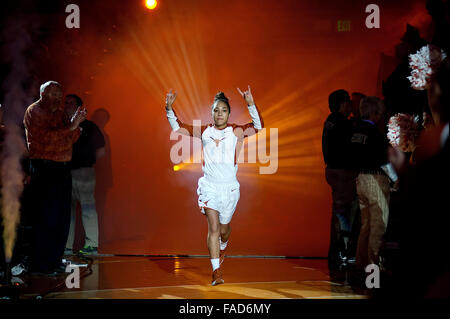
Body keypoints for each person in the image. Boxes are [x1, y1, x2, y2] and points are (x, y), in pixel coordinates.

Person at [164, 87, 263, 286]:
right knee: (214, 227)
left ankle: (223, 245)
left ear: (228, 113)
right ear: (212, 112)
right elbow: (178, 128)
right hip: (209, 186)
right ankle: (216, 272)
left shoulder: (236, 131)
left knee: (224, 230)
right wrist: (168, 108)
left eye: (224, 110)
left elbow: (259, 127)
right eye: (216, 110)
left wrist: (250, 103)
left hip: (230, 189)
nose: (219, 114)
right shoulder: (204, 131)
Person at [23, 81, 86, 275]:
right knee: (46, 217)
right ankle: (41, 264)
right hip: (45, 168)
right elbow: (44, 137)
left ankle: (55, 260)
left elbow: (70, 139)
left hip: (62, 169)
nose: (58, 98)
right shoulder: (34, 111)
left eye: (59, 94)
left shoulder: (59, 114)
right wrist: (72, 127)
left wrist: (75, 126)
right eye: (53, 94)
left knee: (61, 218)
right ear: (42, 94)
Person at [350, 96, 391, 271]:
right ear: (375, 112)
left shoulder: (355, 132)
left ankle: (361, 266)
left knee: (365, 225)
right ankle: (374, 270)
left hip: (360, 179)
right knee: (378, 225)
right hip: (376, 179)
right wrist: (396, 179)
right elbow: (385, 161)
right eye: (380, 113)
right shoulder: (375, 134)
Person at [64, 94, 105, 256]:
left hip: (84, 172)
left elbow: (101, 150)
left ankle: (92, 245)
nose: (66, 105)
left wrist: (88, 162)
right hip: (65, 172)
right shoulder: (62, 125)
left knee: (88, 207)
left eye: (71, 103)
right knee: (68, 211)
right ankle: (66, 246)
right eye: (65, 103)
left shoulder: (90, 127)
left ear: (79, 107)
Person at [322, 89, 358, 268]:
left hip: (333, 171)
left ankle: (335, 252)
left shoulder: (330, 121)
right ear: (343, 104)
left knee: (338, 213)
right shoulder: (343, 123)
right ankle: (340, 252)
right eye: (349, 103)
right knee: (343, 214)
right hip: (343, 173)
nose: (352, 106)